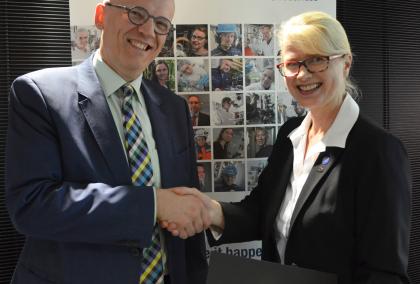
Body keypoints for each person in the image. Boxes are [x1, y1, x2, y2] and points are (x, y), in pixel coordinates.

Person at [166, 11, 411, 284]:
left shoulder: (378, 151)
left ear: (345, 63)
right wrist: (209, 211)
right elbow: (260, 212)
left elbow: (385, 273)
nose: (302, 74)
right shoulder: (290, 135)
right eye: (292, 63)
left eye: (317, 60)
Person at [5, 0, 209, 283]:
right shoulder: (39, 94)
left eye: (161, 24)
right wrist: (153, 205)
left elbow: (187, 208)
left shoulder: (173, 107)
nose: (148, 30)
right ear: (101, 15)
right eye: (137, 13)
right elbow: (32, 204)